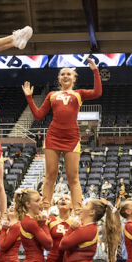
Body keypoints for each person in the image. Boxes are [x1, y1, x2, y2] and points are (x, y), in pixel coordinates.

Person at [23, 58, 102, 215]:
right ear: (58, 78)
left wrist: (95, 71)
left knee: (73, 178)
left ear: (74, 78)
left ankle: (78, 213)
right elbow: (38, 115)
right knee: (50, 176)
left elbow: (97, 92)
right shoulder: (52, 95)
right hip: (53, 136)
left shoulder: (79, 94)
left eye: (69, 74)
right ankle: (45, 211)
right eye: (63, 74)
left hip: (72, 138)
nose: (66, 76)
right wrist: (29, 98)